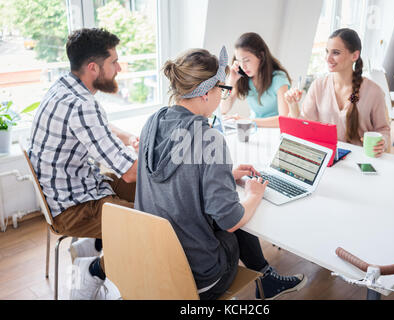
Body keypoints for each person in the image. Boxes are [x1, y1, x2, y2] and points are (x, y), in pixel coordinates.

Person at [135, 46, 307, 300]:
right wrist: (254, 193)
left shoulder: (153, 122)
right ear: (206, 93)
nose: (223, 97)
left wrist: (223, 173)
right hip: (198, 276)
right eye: (222, 89)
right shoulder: (209, 139)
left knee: (218, 208)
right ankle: (266, 278)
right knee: (237, 223)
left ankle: (267, 279)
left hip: (152, 260)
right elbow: (230, 219)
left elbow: (177, 177)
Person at [28, 28, 139, 299]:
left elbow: (96, 127)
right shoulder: (83, 106)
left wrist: (126, 137)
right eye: (113, 62)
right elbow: (130, 172)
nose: (119, 68)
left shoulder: (63, 87)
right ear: (93, 67)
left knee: (147, 196)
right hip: (72, 207)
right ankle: (93, 270)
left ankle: (93, 244)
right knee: (150, 225)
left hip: (64, 192)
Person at [285, 28, 390, 156]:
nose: (328, 58)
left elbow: (383, 129)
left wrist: (382, 142)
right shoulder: (318, 86)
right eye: (327, 52)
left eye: (335, 53)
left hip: (361, 160)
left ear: (355, 56)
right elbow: (303, 126)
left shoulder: (374, 92)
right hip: (328, 158)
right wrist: (292, 104)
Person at [220, 32, 292, 128]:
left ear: (261, 56)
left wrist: (247, 121)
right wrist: (231, 81)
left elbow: (284, 120)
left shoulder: (278, 79)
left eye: (246, 60)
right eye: (239, 61)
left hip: (273, 130)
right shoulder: (244, 77)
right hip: (253, 129)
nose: (243, 66)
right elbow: (223, 109)